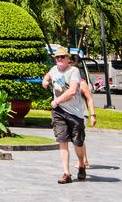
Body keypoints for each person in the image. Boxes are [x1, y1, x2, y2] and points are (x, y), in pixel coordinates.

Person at [41, 47, 89, 184]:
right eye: (57, 58)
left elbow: (73, 91)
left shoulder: (74, 71)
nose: (60, 60)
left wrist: (57, 101)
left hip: (75, 113)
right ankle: (66, 173)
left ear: (68, 59)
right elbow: (48, 77)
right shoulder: (53, 70)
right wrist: (45, 82)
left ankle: (81, 164)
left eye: (62, 57)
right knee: (62, 140)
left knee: (78, 143)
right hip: (59, 112)